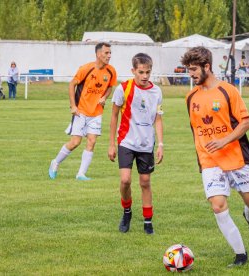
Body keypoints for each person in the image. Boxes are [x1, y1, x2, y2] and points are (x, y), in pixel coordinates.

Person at [181, 46, 249, 267]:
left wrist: (225, 140)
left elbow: (246, 123)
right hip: (210, 162)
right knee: (218, 205)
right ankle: (240, 255)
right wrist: (203, 156)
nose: (191, 74)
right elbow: (196, 131)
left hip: (236, 158)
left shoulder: (228, 91)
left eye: (194, 69)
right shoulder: (190, 98)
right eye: (189, 70)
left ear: (207, 66)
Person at [108, 53, 163, 235]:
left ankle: (148, 222)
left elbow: (158, 119)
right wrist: (111, 144)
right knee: (125, 180)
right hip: (126, 141)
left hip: (146, 144)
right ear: (133, 71)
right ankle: (127, 212)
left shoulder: (157, 92)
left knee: (145, 181)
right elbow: (114, 115)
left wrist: (161, 144)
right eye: (141, 72)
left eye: (148, 72)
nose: (145, 76)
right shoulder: (123, 89)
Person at [48, 42, 117, 180]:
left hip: (96, 113)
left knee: (91, 141)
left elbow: (110, 86)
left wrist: (104, 97)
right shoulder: (86, 68)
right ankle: (55, 162)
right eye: (106, 53)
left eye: (110, 53)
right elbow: (72, 84)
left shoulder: (111, 71)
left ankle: (81, 174)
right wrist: (73, 106)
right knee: (75, 142)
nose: (109, 55)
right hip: (81, 111)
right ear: (98, 54)